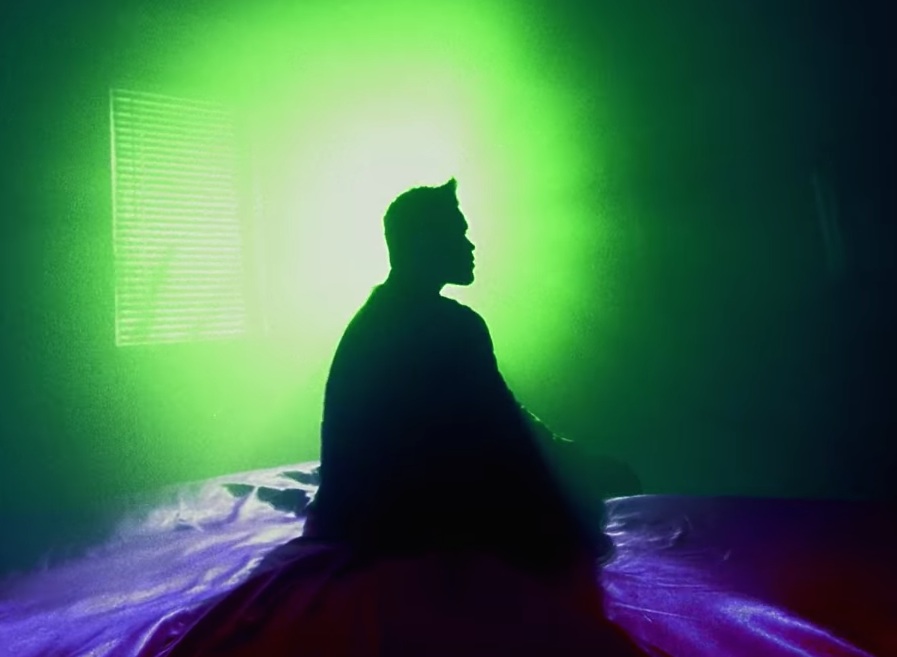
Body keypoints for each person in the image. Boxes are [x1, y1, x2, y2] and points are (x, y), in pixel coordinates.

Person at [305, 179, 614, 574]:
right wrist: (571, 465)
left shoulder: (374, 316)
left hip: (355, 512)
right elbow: (502, 425)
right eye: (458, 234)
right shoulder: (453, 324)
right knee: (578, 510)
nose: (470, 246)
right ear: (425, 243)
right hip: (395, 518)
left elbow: (491, 415)